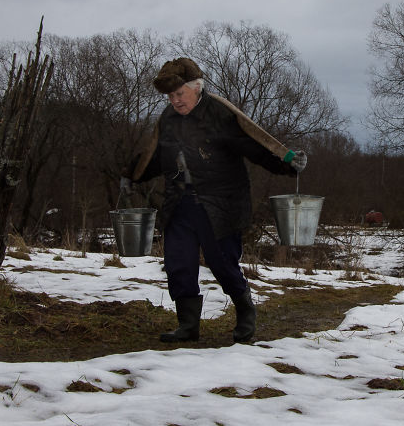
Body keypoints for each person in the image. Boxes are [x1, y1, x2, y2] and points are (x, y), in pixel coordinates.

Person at [122, 57, 307, 344]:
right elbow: (155, 156)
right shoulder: (168, 120)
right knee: (178, 263)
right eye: (171, 96)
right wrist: (131, 174)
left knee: (222, 263)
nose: (175, 101)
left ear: (196, 88)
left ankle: (245, 310)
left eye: (179, 94)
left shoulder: (220, 114)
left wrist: (285, 163)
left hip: (220, 203)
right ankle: (187, 325)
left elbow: (253, 145)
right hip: (179, 203)